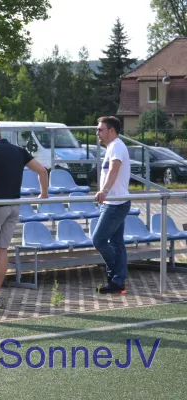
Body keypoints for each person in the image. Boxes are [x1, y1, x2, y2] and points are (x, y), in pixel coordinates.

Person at [0, 121, 49, 308]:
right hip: (14, 206)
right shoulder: (18, 150)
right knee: (2, 250)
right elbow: (42, 170)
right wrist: (44, 194)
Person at [92, 116, 132, 295]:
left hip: (115, 203)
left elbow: (115, 169)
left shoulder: (116, 146)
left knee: (98, 239)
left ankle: (119, 276)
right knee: (117, 243)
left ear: (111, 130)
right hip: (113, 202)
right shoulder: (113, 146)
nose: (97, 133)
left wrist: (105, 191)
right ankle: (117, 281)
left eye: (100, 129)